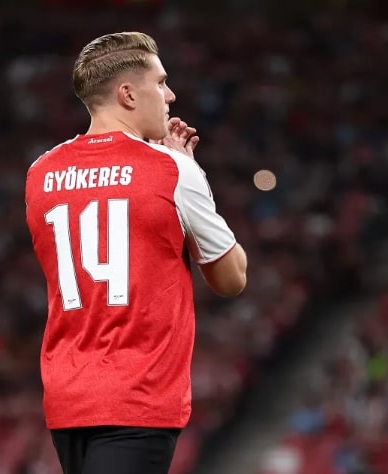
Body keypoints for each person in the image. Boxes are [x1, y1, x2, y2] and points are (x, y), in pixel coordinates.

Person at [24, 31, 247, 474]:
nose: (170, 95)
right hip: (138, 394)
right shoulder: (172, 169)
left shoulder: (40, 173)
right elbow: (232, 279)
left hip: (67, 397)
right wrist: (193, 175)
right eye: (160, 82)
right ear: (128, 94)